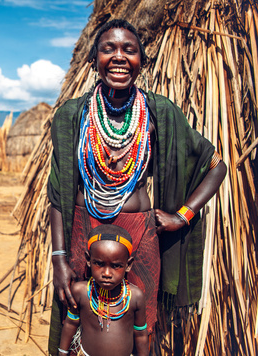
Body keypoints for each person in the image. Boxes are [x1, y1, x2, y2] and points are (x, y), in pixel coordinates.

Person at [47, 19, 227, 355]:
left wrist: (182, 216)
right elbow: (57, 196)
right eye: (108, 49)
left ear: (141, 62)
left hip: (139, 237)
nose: (119, 56)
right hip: (82, 231)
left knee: (141, 326)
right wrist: (59, 258)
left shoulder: (159, 113)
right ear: (93, 60)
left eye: (129, 50)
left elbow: (216, 165)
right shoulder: (73, 116)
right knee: (76, 318)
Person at [58, 224, 148, 356]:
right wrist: (62, 353)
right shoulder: (80, 291)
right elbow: (71, 324)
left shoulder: (135, 297)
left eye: (116, 266)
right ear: (88, 259)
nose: (106, 273)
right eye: (99, 264)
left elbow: (140, 334)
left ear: (128, 265)